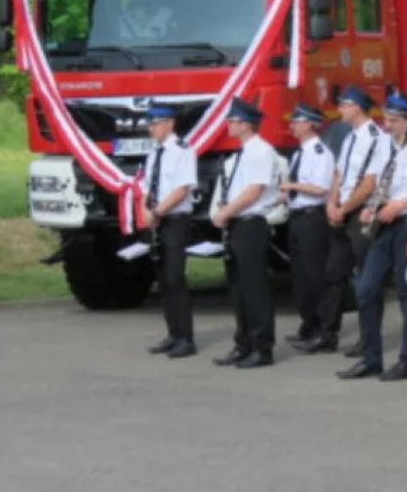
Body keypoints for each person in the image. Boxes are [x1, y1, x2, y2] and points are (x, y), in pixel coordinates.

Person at [296, 86, 392, 355]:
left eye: (345, 105)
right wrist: (331, 202)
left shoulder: (377, 138)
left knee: (366, 277)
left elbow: (370, 181)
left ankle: (368, 336)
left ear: (358, 107)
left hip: (359, 213)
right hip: (341, 210)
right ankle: (328, 333)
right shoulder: (349, 137)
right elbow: (339, 172)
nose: (340, 109)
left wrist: (345, 207)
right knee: (333, 273)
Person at [338, 91, 407, 382]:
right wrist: (371, 208)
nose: (387, 125)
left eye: (394, 121)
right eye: (386, 119)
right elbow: (376, 180)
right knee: (366, 287)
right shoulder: (384, 144)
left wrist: (400, 204)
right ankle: (370, 357)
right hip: (384, 222)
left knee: (406, 292)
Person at [211, 98, 282, 369]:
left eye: (232, 121)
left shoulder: (261, 151)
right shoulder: (239, 154)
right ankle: (243, 343)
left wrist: (226, 212)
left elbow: (254, 190)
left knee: (255, 288)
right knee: (238, 287)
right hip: (237, 224)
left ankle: (262, 347)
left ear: (245, 124)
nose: (228, 125)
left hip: (252, 222)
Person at [140, 104, 198, 359]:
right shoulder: (155, 152)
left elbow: (181, 189)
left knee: (175, 277)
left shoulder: (182, 151)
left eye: (155, 123)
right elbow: (148, 185)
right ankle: (173, 333)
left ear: (170, 124)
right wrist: (146, 208)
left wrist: (158, 211)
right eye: (150, 124)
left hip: (175, 218)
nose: (151, 128)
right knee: (163, 278)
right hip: (158, 218)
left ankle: (186, 337)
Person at [280, 103, 335, 346]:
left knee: (316, 274)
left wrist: (292, 187)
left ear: (310, 124)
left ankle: (324, 330)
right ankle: (308, 324)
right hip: (297, 216)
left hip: (313, 216)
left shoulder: (319, 152)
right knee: (301, 275)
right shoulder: (299, 153)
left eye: (297, 121)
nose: (292, 125)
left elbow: (321, 188)